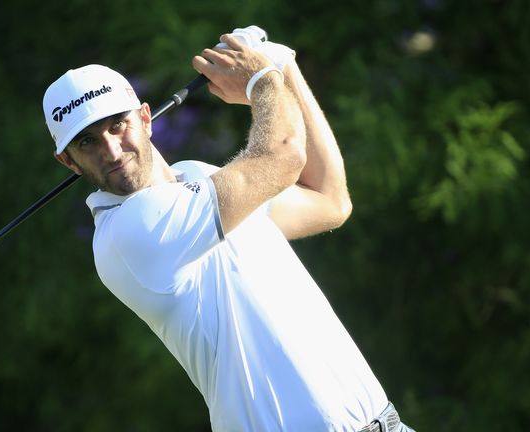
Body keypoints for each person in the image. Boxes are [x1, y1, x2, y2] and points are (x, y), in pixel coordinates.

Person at [42, 31, 414, 432]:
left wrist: (283, 65)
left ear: (146, 118)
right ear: (68, 160)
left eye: (118, 125)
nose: (111, 150)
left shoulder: (200, 178)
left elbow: (329, 201)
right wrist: (263, 78)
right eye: (87, 141)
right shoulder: (129, 232)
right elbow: (283, 155)